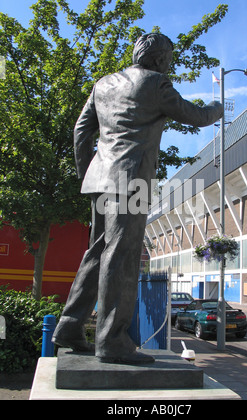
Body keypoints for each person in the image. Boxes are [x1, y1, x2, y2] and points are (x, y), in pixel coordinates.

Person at [52, 33, 223, 364]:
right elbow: (197, 116)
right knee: (123, 256)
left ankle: (70, 327)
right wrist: (217, 108)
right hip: (131, 181)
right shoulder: (157, 83)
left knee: (98, 253)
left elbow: (80, 132)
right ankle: (111, 341)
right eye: (169, 58)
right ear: (159, 59)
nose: (170, 64)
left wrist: (90, 173)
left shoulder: (103, 84)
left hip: (101, 180)